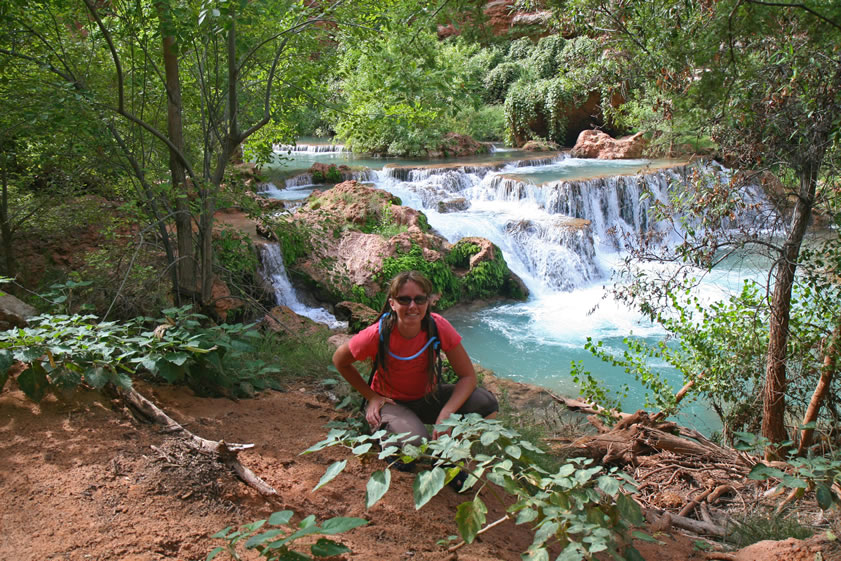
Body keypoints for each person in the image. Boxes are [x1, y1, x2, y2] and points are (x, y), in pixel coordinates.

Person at [332, 270, 498, 449]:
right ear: (392, 304)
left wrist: (447, 414)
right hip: (391, 402)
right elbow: (340, 360)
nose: (413, 306)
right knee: (414, 445)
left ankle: (446, 454)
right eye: (404, 299)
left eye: (419, 299)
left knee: (486, 403)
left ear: (428, 302)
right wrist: (372, 397)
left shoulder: (438, 326)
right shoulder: (377, 334)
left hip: (428, 397)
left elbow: (468, 377)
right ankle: (390, 431)